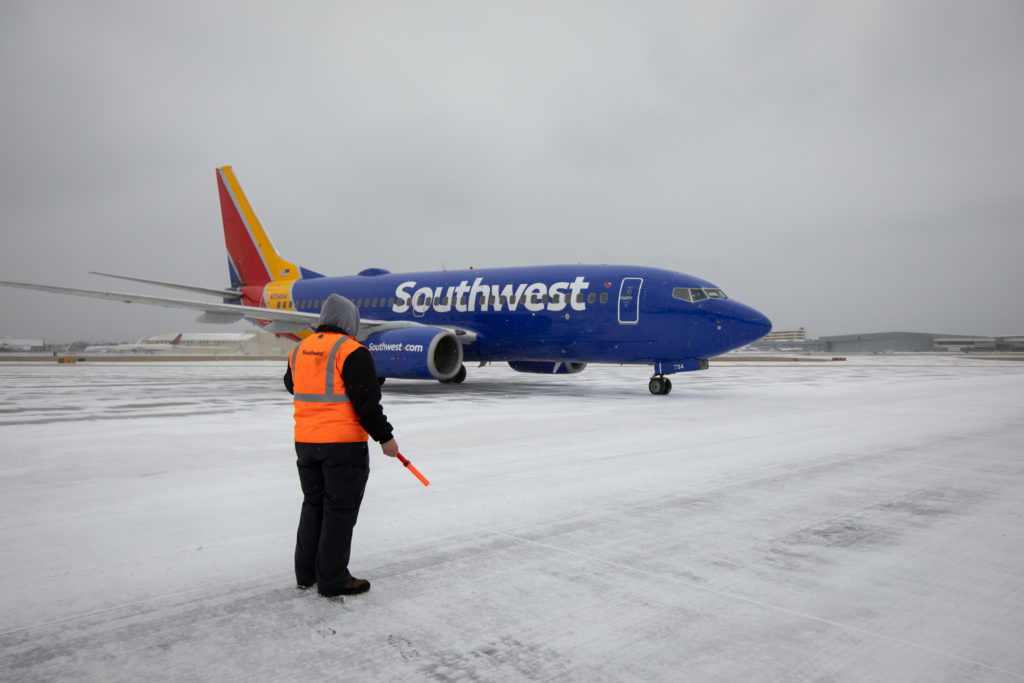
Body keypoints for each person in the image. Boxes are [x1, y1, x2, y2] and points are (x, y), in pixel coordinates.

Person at [283, 294, 399, 597]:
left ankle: (306, 573)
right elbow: (367, 404)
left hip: (306, 444)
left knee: (313, 505)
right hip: (342, 446)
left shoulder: (300, 349)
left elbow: (291, 384)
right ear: (350, 322)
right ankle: (333, 577)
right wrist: (385, 438)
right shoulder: (351, 351)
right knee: (339, 510)